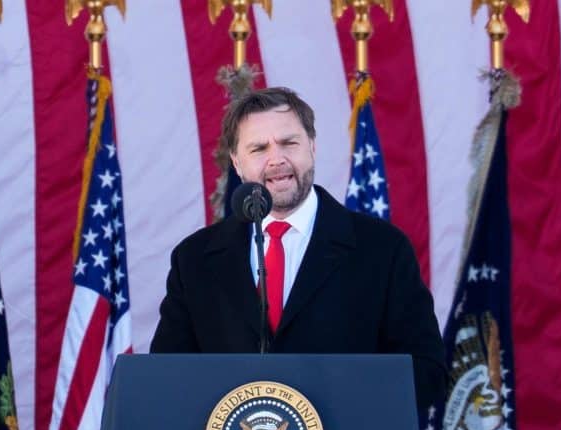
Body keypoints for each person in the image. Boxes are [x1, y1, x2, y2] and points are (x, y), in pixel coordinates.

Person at [150, 86, 445, 408]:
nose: (277, 159)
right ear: (237, 162)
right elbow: (167, 377)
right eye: (259, 148)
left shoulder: (382, 249)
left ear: (312, 147)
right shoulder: (194, 259)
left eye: (289, 143)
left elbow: (425, 372)